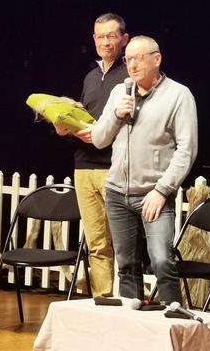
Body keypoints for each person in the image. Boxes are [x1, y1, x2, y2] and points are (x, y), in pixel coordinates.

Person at [85, 35, 198, 304]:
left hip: (154, 194)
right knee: (126, 265)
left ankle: (173, 317)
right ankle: (131, 321)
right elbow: (99, 139)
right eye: (128, 59)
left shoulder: (178, 95)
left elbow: (187, 149)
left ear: (156, 59)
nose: (132, 65)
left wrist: (162, 191)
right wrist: (116, 115)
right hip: (117, 193)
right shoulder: (120, 92)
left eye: (138, 58)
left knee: (161, 261)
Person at [53, 12, 129, 297]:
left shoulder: (129, 76)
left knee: (123, 241)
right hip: (84, 165)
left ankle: (128, 300)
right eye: (100, 36)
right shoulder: (90, 77)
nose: (105, 42)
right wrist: (65, 128)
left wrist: (99, 133)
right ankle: (102, 299)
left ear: (124, 39)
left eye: (112, 36)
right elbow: (85, 118)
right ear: (94, 39)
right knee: (97, 243)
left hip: (114, 166)